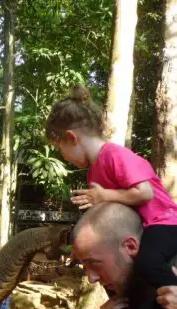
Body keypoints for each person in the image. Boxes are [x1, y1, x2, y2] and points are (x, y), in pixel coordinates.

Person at [46, 84, 177, 290]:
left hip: (165, 222)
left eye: (60, 149)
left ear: (72, 138)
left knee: (148, 264)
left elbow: (144, 193)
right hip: (142, 230)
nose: (64, 158)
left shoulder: (115, 155)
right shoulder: (93, 172)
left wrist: (103, 196)